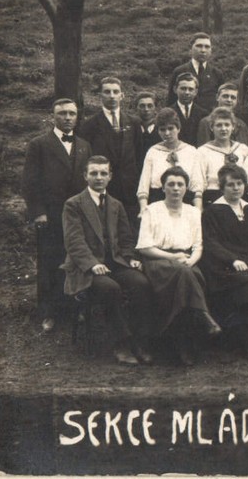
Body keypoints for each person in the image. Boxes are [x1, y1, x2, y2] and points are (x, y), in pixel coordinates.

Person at [62, 156, 154, 364]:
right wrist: (92, 264)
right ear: (85, 176)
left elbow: (126, 238)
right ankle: (121, 343)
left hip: (115, 263)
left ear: (110, 176)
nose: (99, 177)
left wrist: (130, 258)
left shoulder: (115, 205)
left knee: (141, 283)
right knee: (110, 288)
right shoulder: (73, 204)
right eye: (93, 173)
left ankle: (140, 341)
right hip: (85, 268)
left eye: (103, 173)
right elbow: (74, 242)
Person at [136, 166, 220, 366]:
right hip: (157, 261)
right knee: (187, 275)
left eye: (180, 184)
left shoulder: (193, 212)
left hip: (186, 261)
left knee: (189, 276)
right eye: (171, 184)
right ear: (163, 188)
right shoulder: (151, 210)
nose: (175, 188)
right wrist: (173, 258)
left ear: (186, 188)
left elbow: (198, 245)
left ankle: (181, 342)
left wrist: (191, 261)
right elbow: (145, 247)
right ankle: (202, 317)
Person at [22, 98, 91, 331]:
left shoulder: (84, 145)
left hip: (78, 216)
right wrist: (38, 212)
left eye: (72, 113)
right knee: (50, 261)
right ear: (53, 116)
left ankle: (74, 308)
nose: (68, 118)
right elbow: (30, 182)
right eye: (62, 113)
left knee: (76, 260)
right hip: (51, 215)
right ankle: (48, 312)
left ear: (77, 116)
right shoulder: (39, 144)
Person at [201, 165, 248, 362]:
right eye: (230, 185)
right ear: (222, 187)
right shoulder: (212, 212)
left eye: (239, 184)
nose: (235, 188)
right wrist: (232, 259)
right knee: (246, 286)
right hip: (223, 263)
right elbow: (211, 242)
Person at [77, 77, 140, 218]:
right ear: (100, 95)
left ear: (122, 95)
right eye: (107, 92)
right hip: (104, 188)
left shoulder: (134, 122)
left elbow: (139, 155)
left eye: (115, 92)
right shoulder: (89, 125)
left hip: (130, 190)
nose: (112, 96)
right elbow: (85, 160)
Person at [137, 108, 204, 213]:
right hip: (158, 201)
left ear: (178, 128)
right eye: (162, 129)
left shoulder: (191, 151)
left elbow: (196, 184)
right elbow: (144, 183)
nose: (167, 133)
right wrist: (143, 208)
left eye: (171, 128)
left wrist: (198, 209)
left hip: (185, 202)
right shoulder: (153, 151)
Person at [197, 107, 248, 206]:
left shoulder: (243, 150)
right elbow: (199, 183)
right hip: (213, 198)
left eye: (227, 125)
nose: (223, 129)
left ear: (233, 127)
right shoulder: (203, 152)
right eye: (219, 125)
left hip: (240, 198)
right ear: (211, 127)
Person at [167, 32, 225, 111]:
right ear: (191, 48)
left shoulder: (217, 74)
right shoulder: (179, 71)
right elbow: (171, 100)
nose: (203, 50)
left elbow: (221, 101)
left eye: (207, 47)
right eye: (199, 46)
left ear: (211, 50)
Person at [196, 82, 248, 148]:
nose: (229, 100)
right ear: (217, 97)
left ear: (237, 101)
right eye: (225, 96)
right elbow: (204, 149)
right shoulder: (206, 122)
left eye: (233, 97)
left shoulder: (241, 124)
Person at [169, 72, 207, 145]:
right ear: (175, 89)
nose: (187, 92)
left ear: (196, 92)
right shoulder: (168, 113)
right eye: (183, 88)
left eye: (190, 89)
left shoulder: (204, 114)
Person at [133, 91, 161, 168]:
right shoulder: (131, 129)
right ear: (136, 108)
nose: (146, 109)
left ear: (155, 108)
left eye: (150, 106)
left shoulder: (161, 130)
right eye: (142, 106)